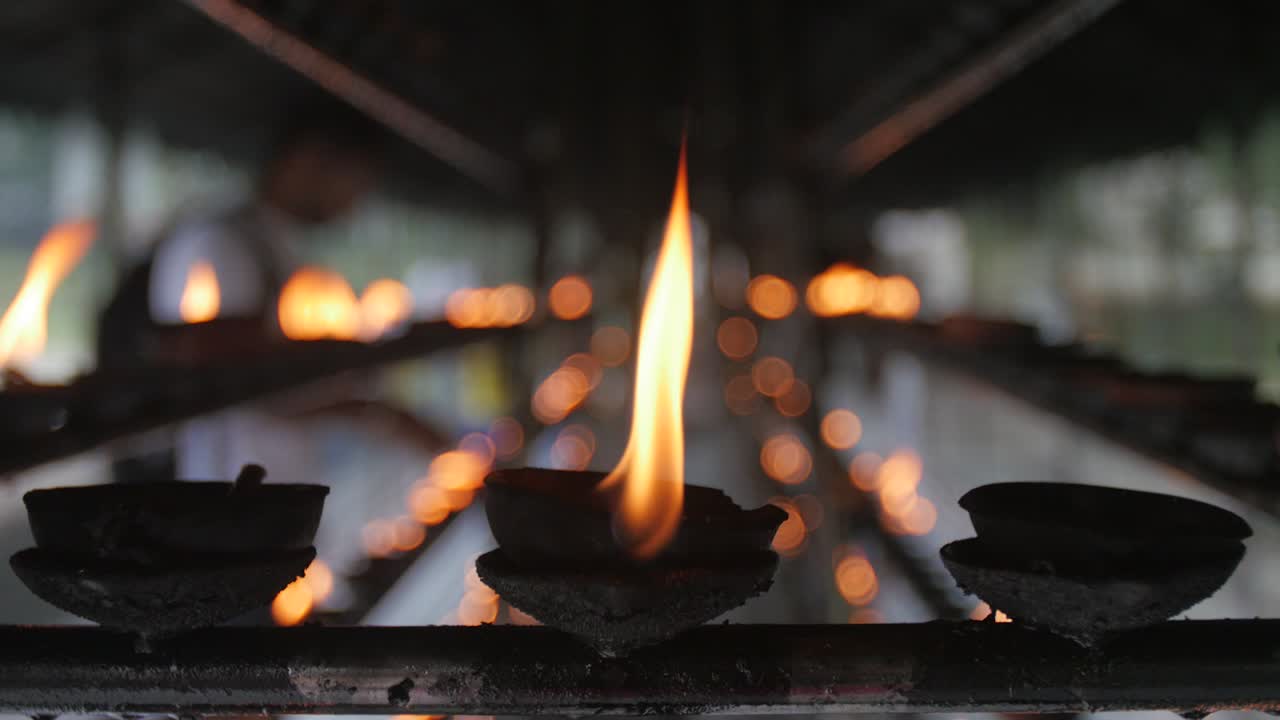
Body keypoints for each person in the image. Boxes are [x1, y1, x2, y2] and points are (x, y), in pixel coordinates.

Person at [98, 100, 440, 484]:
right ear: (309, 159)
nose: (355, 202)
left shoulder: (273, 247)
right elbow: (235, 378)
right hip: (226, 488)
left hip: (266, 482)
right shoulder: (221, 243)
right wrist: (376, 414)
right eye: (357, 181)